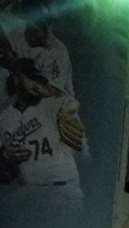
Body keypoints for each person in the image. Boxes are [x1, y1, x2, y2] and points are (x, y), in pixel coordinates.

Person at [0, 57, 84, 186]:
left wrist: (66, 113)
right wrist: (5, 155)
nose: (37, 86)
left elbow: (72, 104)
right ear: (16, 78)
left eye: (39, 81)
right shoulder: (4, 118)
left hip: (63, 186)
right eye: (31, 79)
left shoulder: (49, 103)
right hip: (32, 193)